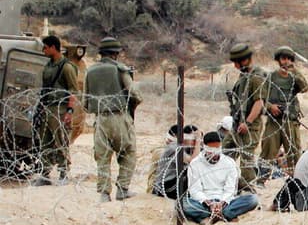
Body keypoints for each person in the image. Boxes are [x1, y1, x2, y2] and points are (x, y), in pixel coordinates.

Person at [83, 37, 142, 202]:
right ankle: (122, 188)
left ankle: (104, 193)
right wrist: (131, 108)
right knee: (129, 152)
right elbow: (136, 94)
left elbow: (85, 104)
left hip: (101, 118)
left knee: (102, 157)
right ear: (116, 54)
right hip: (119, 116)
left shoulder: (90, 71)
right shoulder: (120, 69)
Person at [183, 131, 259, 225]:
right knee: (182, 204)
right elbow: (195, 190)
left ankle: (210, 217)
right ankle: (225, 215)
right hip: (204, 203)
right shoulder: (195, 164)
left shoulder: (229, 163)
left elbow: (230, 190)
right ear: (205, 147)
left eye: (217, 149)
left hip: (224, 202)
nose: (215, 154)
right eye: (211, 149)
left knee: (253, 199)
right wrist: (209, 203)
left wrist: (221, 203)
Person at [32, 35, 79, 186]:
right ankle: (45, 174)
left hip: (60, 108)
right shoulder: (49, 65)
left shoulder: (66, 67)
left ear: (53, 47)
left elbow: (73, 90)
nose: (43, 50)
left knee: (60, 140)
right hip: (46, 107)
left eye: (45, 47)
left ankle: (63, 172)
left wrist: (70, 111)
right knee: (44, 141)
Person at [260, 46, 308, 178]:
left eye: (288, 58)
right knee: (267, 150)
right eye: (283, 58)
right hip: (274, 121)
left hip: (290, 121)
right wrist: (271, 107)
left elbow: (305, 88)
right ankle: (261, 179)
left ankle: (297, 179)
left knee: (294, 152)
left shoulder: (295, 77)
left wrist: (295, 72)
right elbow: (259, 98)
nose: (285, 61)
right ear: (278, 60)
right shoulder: (270, 77)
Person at [222, 43, 265, 189]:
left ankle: (248, 191)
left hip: (249, 126)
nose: (234, 66)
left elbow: (259, 102)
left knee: (246, 161)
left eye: (236, 62)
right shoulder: (244, 75)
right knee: (225, 153)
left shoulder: (256, 76)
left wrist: (248, 122)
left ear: (245, 60)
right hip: (237, 124)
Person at [150, 124, 201, 199]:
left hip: (173, 184)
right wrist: (198, 141)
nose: (193, 142)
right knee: (192, 171)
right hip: (165, 187)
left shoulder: (187, 149)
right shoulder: (175, 147)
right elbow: (193, 162)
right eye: (193, 139)